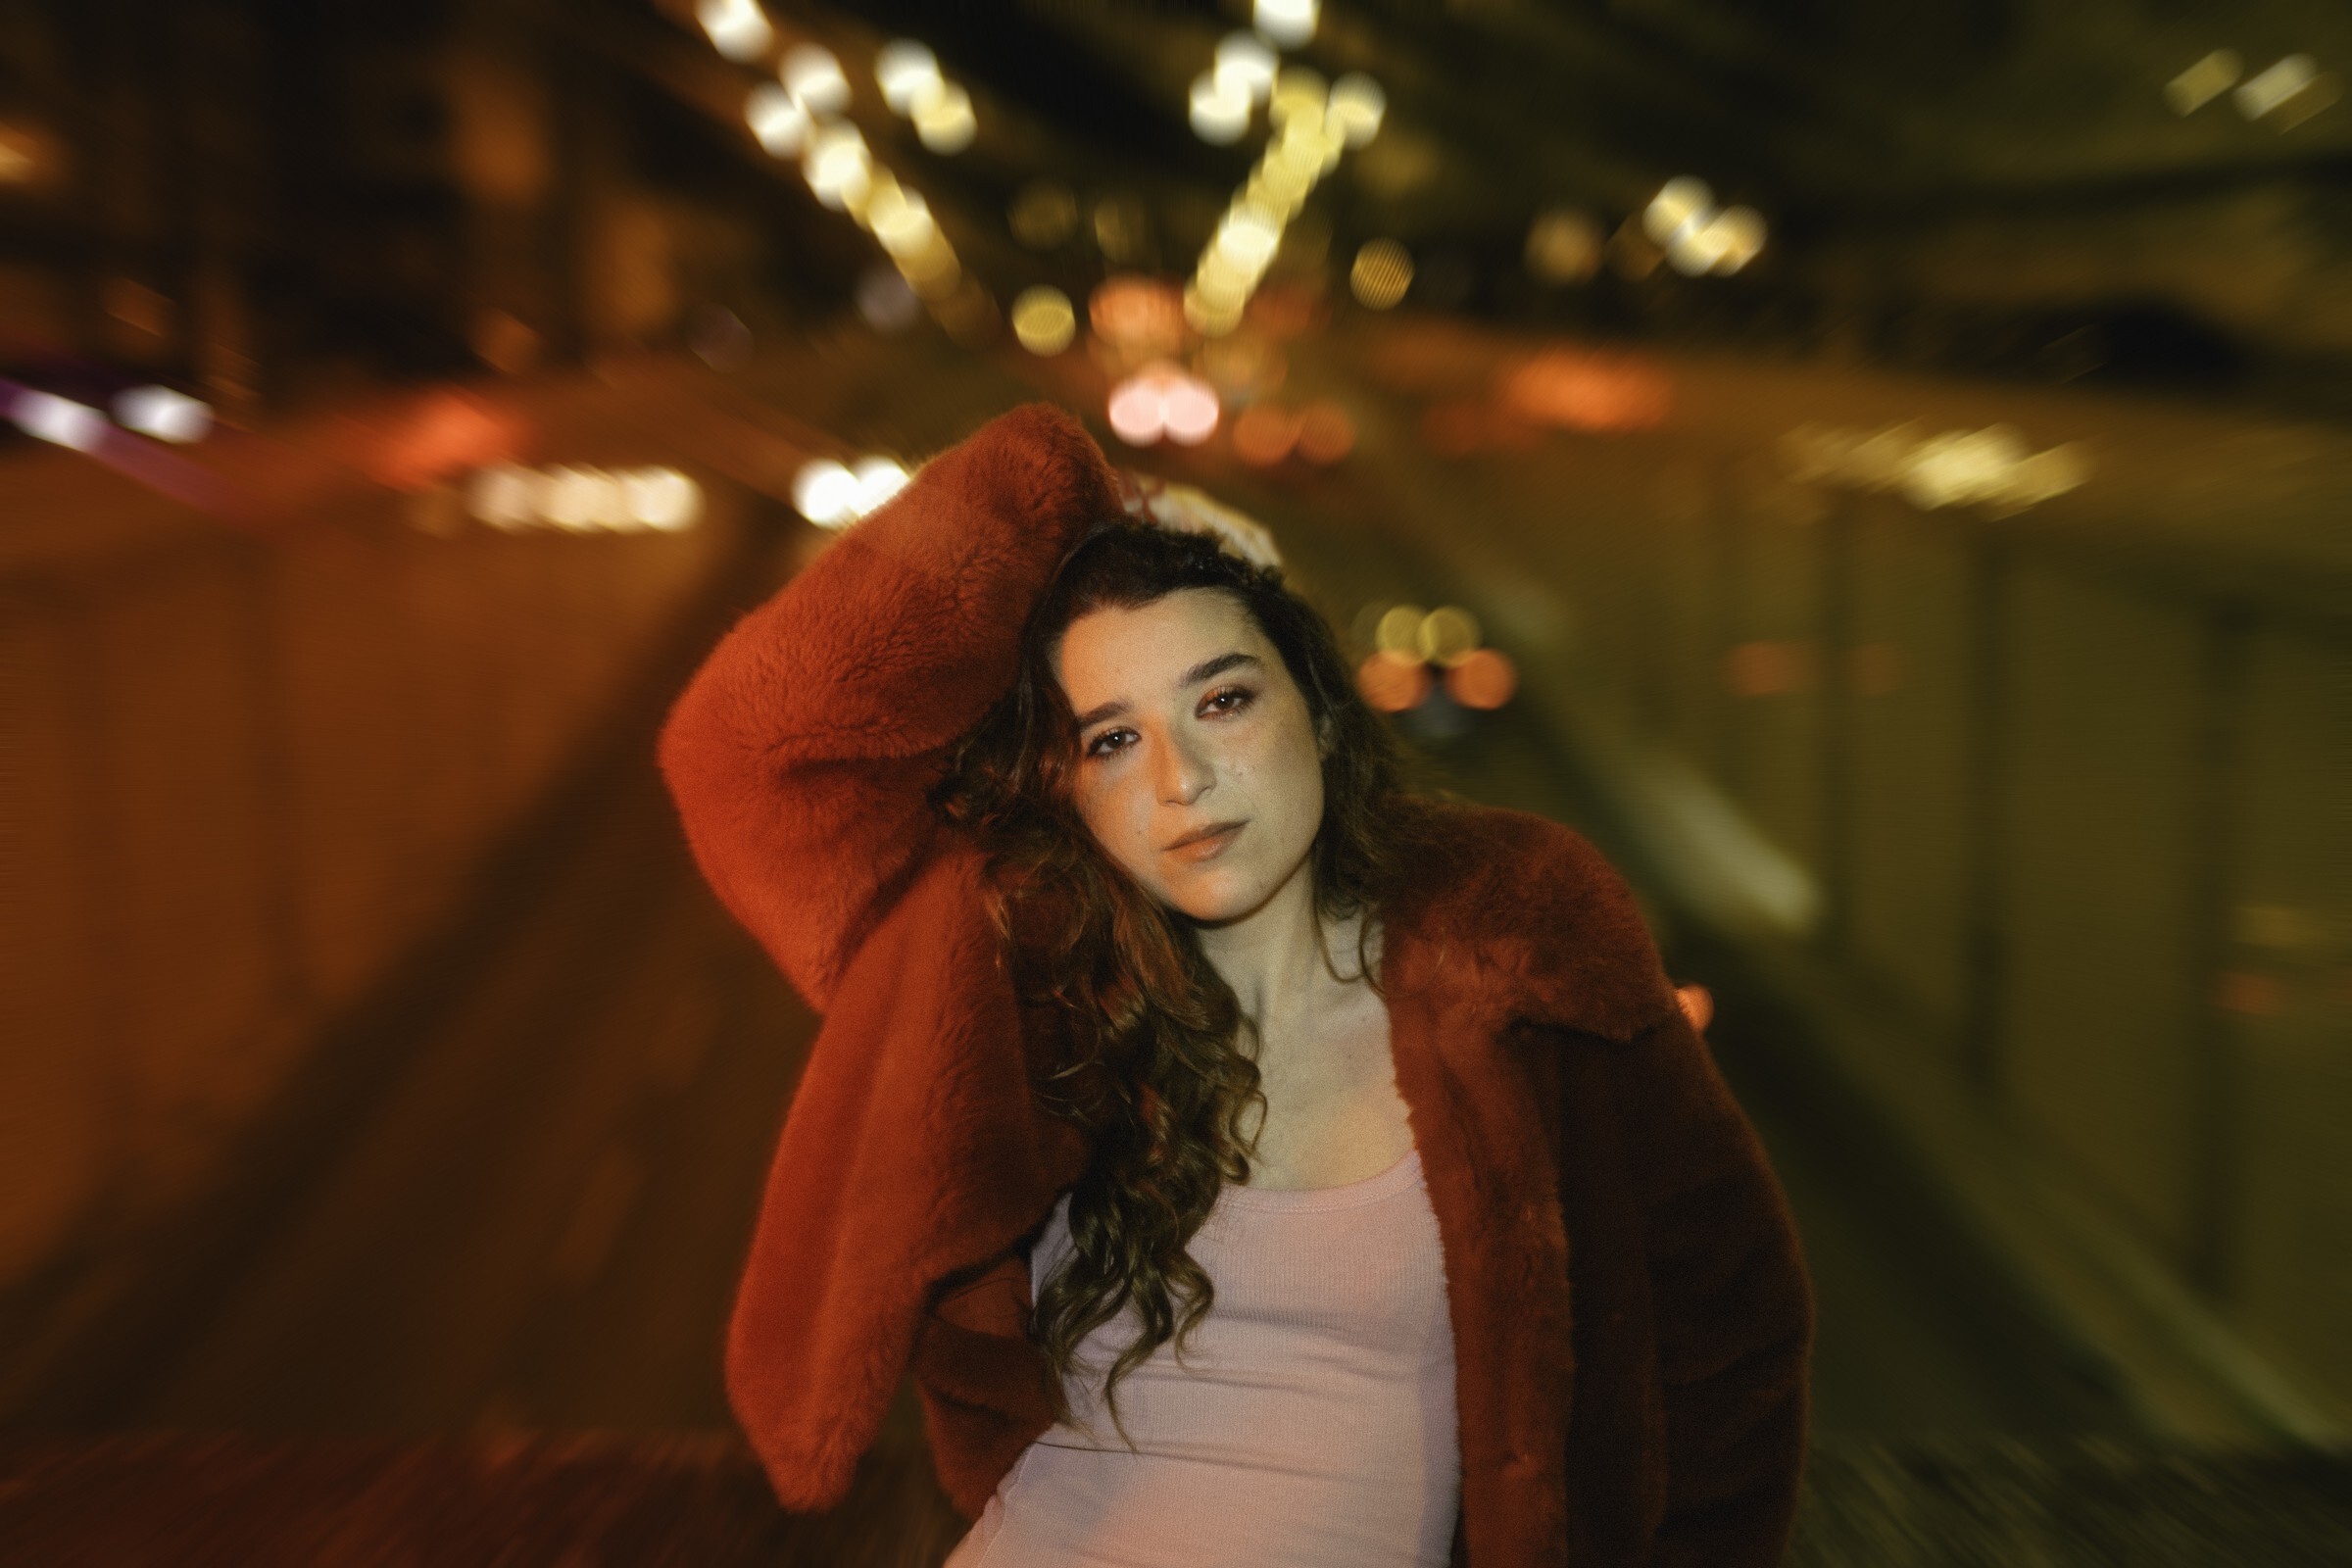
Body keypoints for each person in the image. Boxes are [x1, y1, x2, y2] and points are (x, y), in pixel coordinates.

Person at [657, 403, 1812, 1567]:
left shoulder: (1523, 951)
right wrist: (1068, 492)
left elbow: (1733, 1335)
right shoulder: (1026, 988)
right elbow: (749, 747)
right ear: (1070, 790)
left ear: (1318, 709)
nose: (1182, 778)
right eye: (1113, 739)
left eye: (1222, 700)